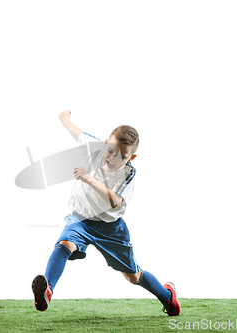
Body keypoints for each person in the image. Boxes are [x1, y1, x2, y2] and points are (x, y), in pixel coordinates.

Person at [32, 110, 180, 316]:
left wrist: (90, 179)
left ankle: (168, 297)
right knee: (65, 242)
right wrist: (64, 117)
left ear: (131, 158)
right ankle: (48, 290)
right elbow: (76, 132)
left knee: (133, 277)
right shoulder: (93, 149)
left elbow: (115, 202)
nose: (113, 158)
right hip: (81, 220)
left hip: (110, 229)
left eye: (122, 156)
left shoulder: (128, 173)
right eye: (110, 151)